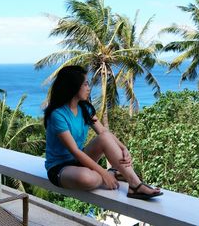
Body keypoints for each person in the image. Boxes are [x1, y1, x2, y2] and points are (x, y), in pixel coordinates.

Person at [44, 65, 163, 200]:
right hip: (60, 168)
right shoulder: (57, 115)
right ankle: (113, 173)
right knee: (88, 179)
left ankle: (135, 185)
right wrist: (104, 174)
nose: (89, 88)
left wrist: (123, 148)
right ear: (73, 86)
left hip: (80, 159)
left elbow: (104, 132)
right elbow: (74, 151)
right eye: (85, 84)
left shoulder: (84, 108)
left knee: (104, 137)